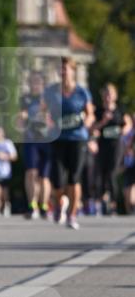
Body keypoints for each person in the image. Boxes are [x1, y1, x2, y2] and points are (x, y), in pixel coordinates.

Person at [45, 57, 94, 230]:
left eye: (66, 69)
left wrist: (86, 123)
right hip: (57, 138)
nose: (64, 72)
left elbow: (90, 114)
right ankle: (59, 204)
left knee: (74, 178)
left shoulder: (82, 92)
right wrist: (47, 121)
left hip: (77, 139)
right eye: (61, 69)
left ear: (73, 71)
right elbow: (43, 111)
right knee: (57, 180)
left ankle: (72, 215)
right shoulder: (51, 91)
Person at [18, 70, 52, 220]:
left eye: (38, 81)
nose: (35, 85)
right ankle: (32, 206)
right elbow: (21, 118)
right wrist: (21, 119)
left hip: (47, 140)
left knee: (44, 176)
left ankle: (44, 205)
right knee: (31, 172)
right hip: (31, 139)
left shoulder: (49, 98)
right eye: (33, 82)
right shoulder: (25, 99)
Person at [92, 83, 125, 216]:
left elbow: (126, 124)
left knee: (111, 173)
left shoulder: (119, 110)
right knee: (101, 174)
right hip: (102, 146)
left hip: (116, 146)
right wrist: (103, 122)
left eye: (110, 94)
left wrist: (124, 131)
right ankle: (102, 200)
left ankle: (113, 204)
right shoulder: (99, 111)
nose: (108, 97)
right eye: (105, 94)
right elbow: (93, 128)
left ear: (115, 96)